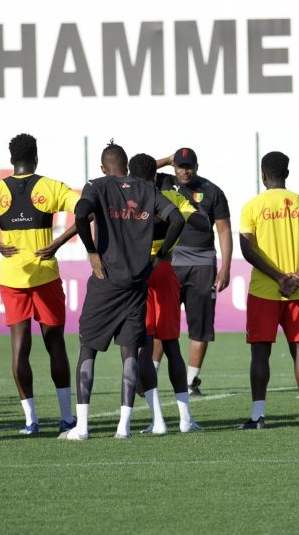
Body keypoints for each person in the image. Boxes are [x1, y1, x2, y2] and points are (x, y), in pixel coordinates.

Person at [0, 134, 79, 435]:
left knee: (19, 349)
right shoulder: (51, 186)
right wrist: (58, 242)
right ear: (36, 158)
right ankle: (66, 418)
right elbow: (87, 209)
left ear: (11, 160)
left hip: (11, 278)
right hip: (45, 275)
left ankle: (31, 421)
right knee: (55, 345)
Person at [61, 142, 185, 440]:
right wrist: (160, 255)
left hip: (105, 281)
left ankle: (82, 427)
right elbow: (178, 219)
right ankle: (123, 427)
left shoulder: (96, 186)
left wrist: (92, 251)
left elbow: (81, 214)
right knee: (130, 352)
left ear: (104, 168)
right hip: (137, 284)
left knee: (88, 349)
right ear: (126, 166)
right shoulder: (147, 189)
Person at [238, 151, 299, 429]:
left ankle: (257, 417)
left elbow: (246, 248)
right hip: (296, 291)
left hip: (263, 291)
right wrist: (295, 276)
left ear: (263, 175)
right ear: (287, 174)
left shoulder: (252, 206)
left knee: (260, 354)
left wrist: (277, 277)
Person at [129, 153, 208, 434]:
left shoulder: (125, 202)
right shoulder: (169, 197)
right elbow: (201, 222)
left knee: (143, 345)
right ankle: (185, 419)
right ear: (155, 176)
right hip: (163, 269)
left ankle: (158, 420)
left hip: (135, 273)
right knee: (171, 344)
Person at [155, 147, 232, 396]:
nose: (184, 171)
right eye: (180, 166)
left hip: (203, 265)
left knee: (200, 326)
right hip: (170, 263)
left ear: (196, 167)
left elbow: (223, 230)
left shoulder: (212, 191)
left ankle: (190, 382)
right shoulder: (163, 182)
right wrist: (166, 160)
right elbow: (137, 170)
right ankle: (149, 378)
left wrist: (226, 267)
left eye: (188, 167)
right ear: (174, 166)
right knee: (161, 323)